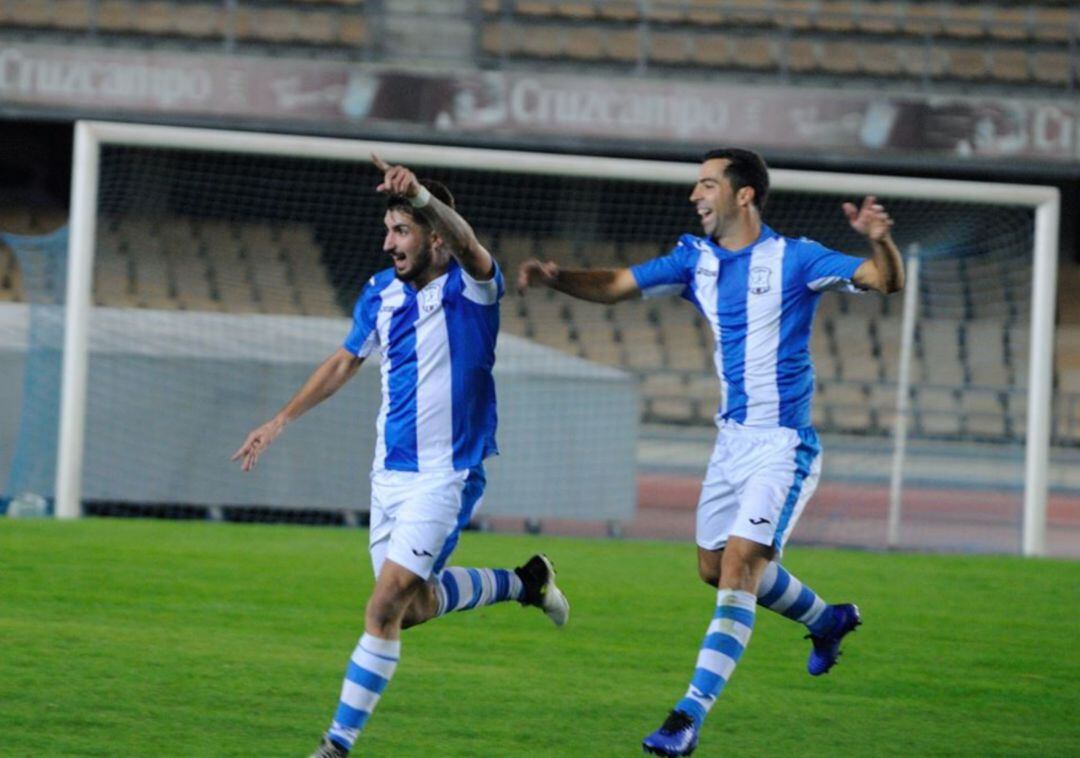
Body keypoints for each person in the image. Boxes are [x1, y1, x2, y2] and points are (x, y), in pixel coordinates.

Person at [517, 147, 903, 757]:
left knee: (740, 567)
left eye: (706, 185)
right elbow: (618, 284)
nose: (695, 195)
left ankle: (686, 717)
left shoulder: (794, 257)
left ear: (743, 195)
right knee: (713, 567)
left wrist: (880, 241)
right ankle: (826, 619)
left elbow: (885, 281)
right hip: (731, 444)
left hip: (782, 444)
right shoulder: (693, 260)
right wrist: (556, 278)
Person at [233, 155, 569, 758]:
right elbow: (344, 361)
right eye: (388, 230)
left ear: (433, 235)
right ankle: (524, 582)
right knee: (409, 609)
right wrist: (279, 420)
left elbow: (468, 242)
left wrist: (420, 193)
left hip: (448, 475)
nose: (389, 243)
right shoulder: (379, 293)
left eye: (402, 229)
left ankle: (336, 744)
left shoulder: (473, 288)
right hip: (388, 475)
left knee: (383, 604)